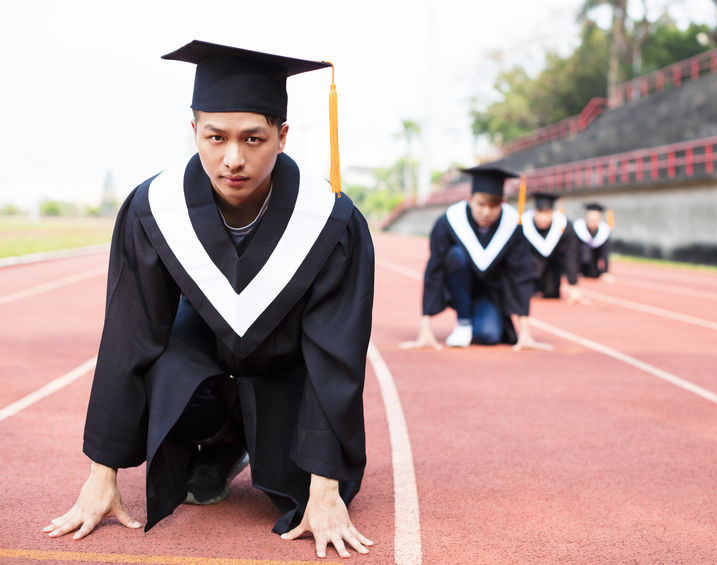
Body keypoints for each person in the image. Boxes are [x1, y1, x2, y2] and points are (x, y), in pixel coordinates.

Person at [43, 40, 375, 560]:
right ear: (193, 130)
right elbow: (129, 335)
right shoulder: (154, 208)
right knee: (163, 356)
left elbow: (335, 357)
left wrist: (327, 487)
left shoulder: (330, 221)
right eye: (215, 137)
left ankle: (261, 447)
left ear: (283, 136)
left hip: (287, 371)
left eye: (254, 138)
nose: (233, 159)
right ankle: (219, 445)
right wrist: (101, 474)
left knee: (294, 493)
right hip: (204, 366)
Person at [400, 166, 551, 351]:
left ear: (503, 202)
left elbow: (520, 274)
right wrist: (425, 329)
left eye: (494, 205)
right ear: (469, 200)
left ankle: (475, 319)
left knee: (489, 335)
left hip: (490, 292)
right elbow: (435, 269)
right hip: (455, 286)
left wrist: (525, 332)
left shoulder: (513, 225)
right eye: (481, 204)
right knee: (457, 255)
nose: (486, 212)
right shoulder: (449, 221)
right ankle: (463, 322)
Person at [520, 192, 584, 303]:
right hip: (528, 270)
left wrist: (573, 284)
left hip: (551, 269)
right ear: (534, 211)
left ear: (552, 212)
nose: (542, 218)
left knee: (551, 295)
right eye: (539, 212)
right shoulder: (523, 224)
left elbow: (570, 255)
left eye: (547, 213)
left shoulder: (564, 226)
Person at [573, 202, 613, 280]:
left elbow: (605, 253)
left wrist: (606, 272)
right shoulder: (578, 228)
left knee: (594, 274)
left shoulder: (604, 231)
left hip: (594, 262)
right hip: (580, 262)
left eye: (595, 220)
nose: (592, 222)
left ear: (600, 219)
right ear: (586, 218)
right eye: (590, 219)